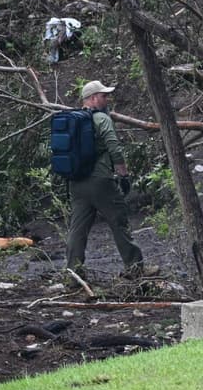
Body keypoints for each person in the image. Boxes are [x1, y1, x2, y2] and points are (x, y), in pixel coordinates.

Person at [65, 80, 158, 281]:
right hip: (100, 180)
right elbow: (114, 147)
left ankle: (73, 275)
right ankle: (135, 268)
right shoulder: (100, 119)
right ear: (91, 98)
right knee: (119, 221)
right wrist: (123, 175)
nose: (107, 99)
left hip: (75, 182)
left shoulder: (72, 120)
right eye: (103, 95)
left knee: (78, 228)